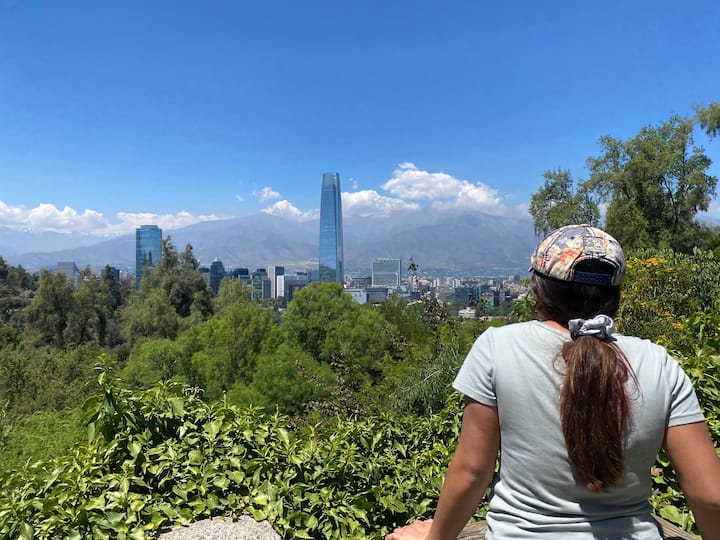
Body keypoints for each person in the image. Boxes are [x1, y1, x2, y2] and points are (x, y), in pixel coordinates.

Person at [386, 224, 720, 540]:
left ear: (538, 288)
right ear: (614, 294)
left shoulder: (497, 347)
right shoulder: (659, 362)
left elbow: (473, 472)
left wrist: (434, 537)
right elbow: (710, 496)